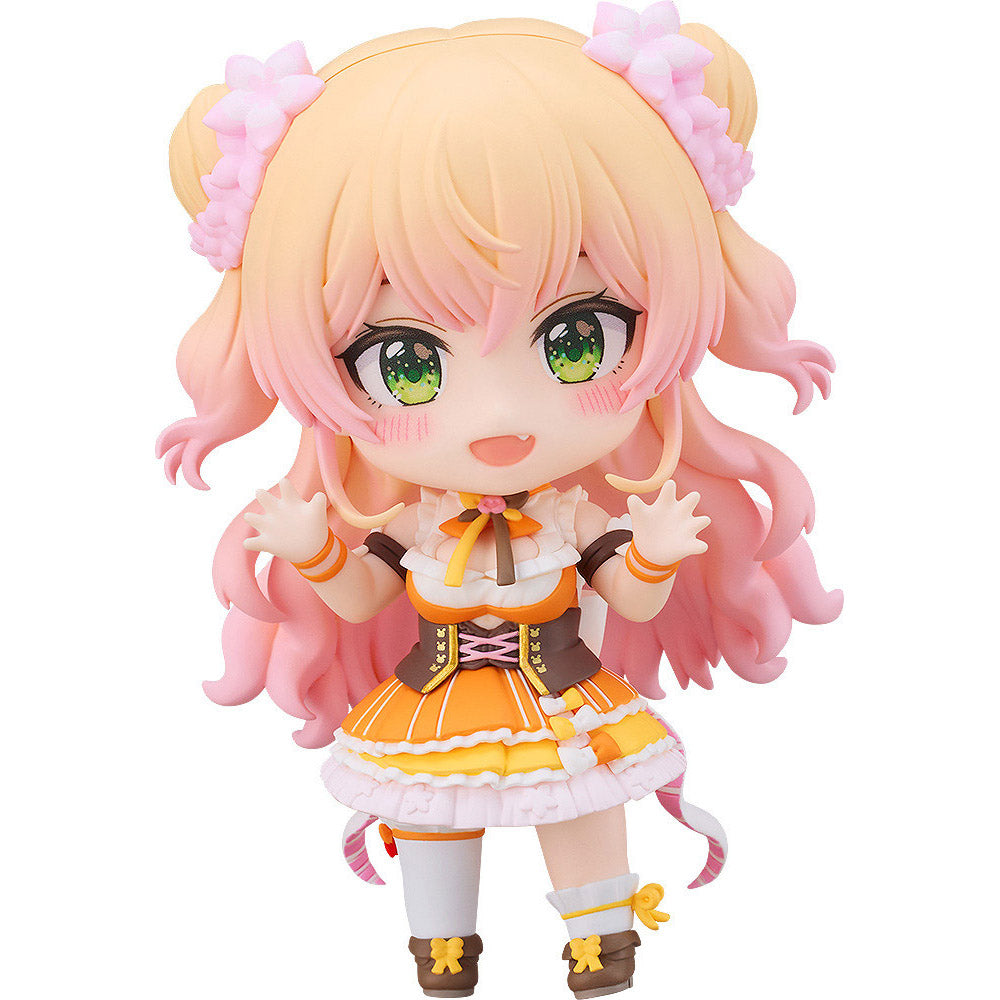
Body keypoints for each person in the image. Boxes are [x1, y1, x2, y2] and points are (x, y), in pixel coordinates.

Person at [158, 5, 841, 996]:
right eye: (405, 363)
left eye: (579, 338)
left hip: (561, 695)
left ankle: (601, 937)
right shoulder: (414, 525)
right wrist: (312, 548)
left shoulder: (568, 520)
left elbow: (630, 596)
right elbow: (362, 596)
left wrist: (652, 550)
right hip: (433, 704)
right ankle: (442, 947)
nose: (500, 417)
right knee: (433, 815)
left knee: (583, 801)